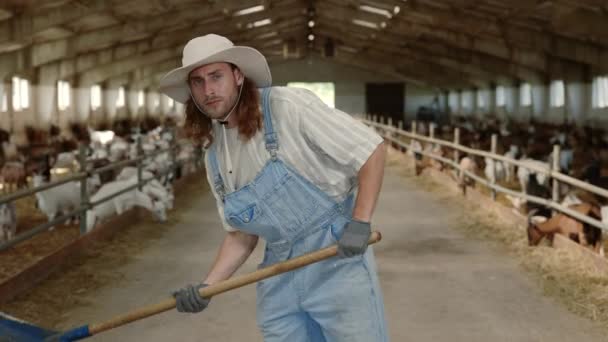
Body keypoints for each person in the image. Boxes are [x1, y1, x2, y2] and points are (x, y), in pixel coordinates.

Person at [159, 34, 388, 341]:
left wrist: (360, 220)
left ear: (238, 75)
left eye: (216, 76)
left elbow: (371, 149)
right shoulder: (214, 153)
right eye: (198, 82)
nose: (208, 90)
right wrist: (207, 287)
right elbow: (241, 234)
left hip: (336, 258)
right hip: (279, 269)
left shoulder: (287, 107)